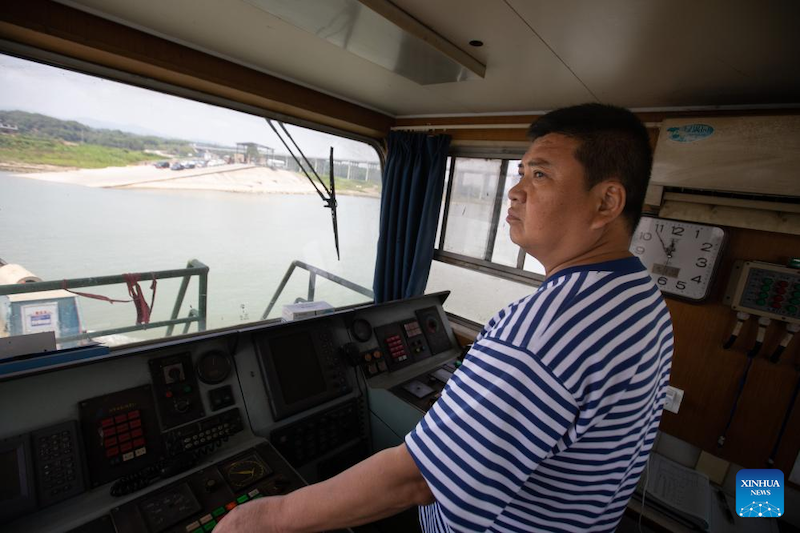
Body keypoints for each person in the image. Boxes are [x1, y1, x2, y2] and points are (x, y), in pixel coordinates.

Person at [215, 103, 673, 533]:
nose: (516, 190)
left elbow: (415, 481)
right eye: (520, 173)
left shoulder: (546, 328)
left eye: (540, 174)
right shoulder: (639, 296)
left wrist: (265, 517)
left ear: (606, 203)